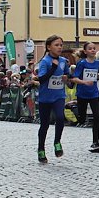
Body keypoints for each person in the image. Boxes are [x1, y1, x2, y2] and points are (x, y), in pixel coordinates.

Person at [35, 35, 69, 163]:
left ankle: (57, 142)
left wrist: (67, 78)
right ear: (49, 47)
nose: (60, 47)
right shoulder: (45, 61)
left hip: (59, 96)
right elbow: (42, 79)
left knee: (60, 117)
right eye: (57, 45)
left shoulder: (63, 60)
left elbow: (67, 75)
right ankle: (41, 149)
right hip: (45, 98)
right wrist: (53, 68)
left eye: (61, 45)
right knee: (44, 125)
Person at [71, 42, 99, 153]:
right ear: (85, 51)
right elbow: (74, 78)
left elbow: (94, 76)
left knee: (97, 116)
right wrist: (84, 82)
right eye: (90, 49)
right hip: (82, 93)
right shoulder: (81, 63)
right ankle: (73, 107)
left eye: (94, 48)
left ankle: (95, 142)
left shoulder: (97, 63)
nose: (93, 50)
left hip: (93, 93)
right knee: (82, 120)